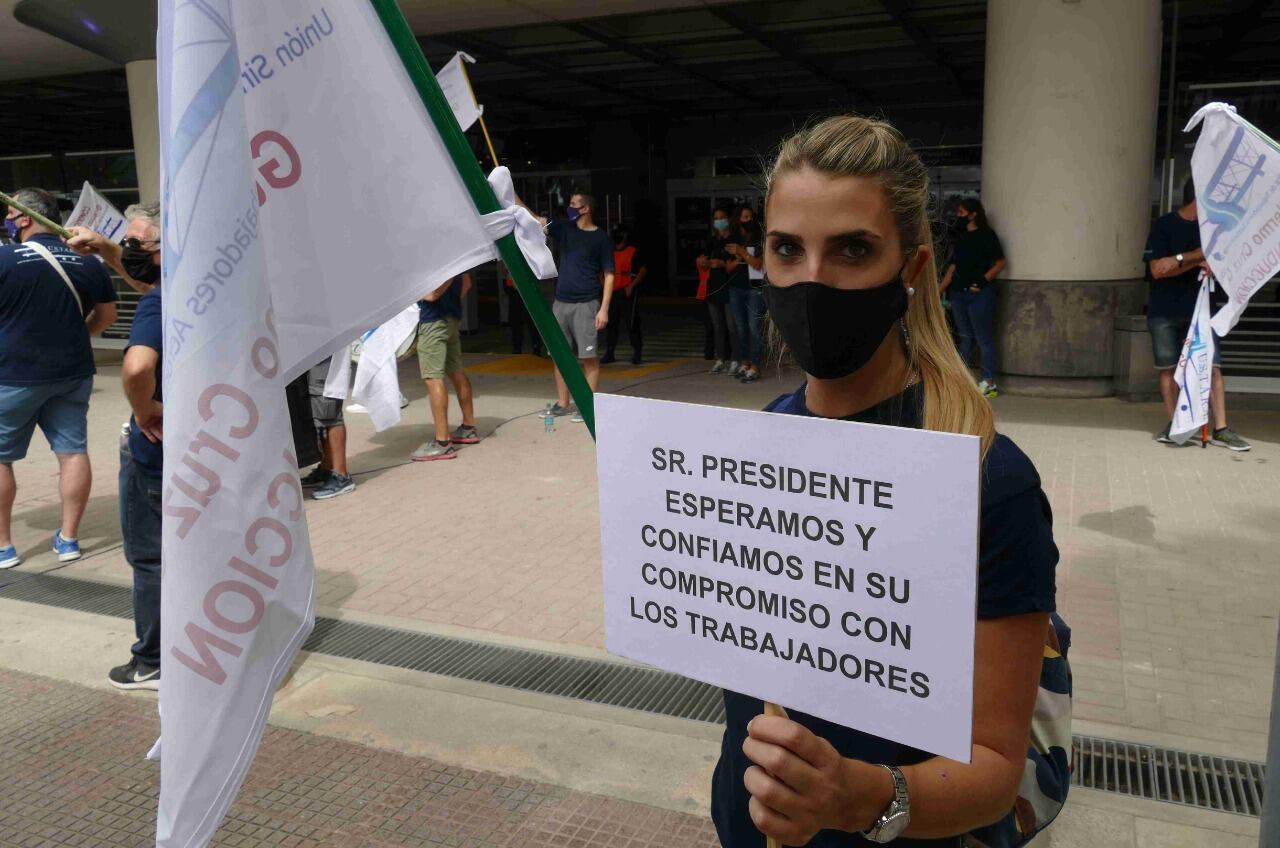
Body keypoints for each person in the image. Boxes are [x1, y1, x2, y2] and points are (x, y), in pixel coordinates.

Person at [713, 115, 1064, 847]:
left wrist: (859, 795)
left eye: (852, 250)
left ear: (911, 268)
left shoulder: (986, 475)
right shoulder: (762, 441)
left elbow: (996, 769)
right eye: (787, 249)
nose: (812, 279)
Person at [67, 203, 165, 690]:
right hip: (209, 449)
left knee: (151, 558)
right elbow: (149, 280)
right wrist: (106, 250)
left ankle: (151, 659)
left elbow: (135, 368)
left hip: (157, 454)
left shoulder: (158, 302)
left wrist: (146, 409)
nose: (128, 249)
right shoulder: (209, 291)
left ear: (167, 249)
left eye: (136, 242)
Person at [0, 189, 117, 569]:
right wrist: (77, 335)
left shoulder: (4, 258)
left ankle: (3, 547)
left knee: (1, 459)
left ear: (23, 218)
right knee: (72, 453)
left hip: (12, 375)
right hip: (73, 373)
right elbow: (107, 317)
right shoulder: (90, 262)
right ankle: (69, 539)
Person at [1143, 179, 1250, 450]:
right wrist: (1192, 258)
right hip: (1165, 309)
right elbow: (1158, 270)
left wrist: (1179, 260)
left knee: (1212, 368)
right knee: (1168, 369)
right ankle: (1175, 424)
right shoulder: (1164, 225)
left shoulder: (1215, 231)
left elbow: (1222, 261)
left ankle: (1222, 428)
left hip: (1203, 310)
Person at [547, 192, 613, 423]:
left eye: (574, 204)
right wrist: (513, 196)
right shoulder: (565, 228)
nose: (570, 207)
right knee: (560, 356)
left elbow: (609, 274)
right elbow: (536, 220)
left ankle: (587, 405)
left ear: (585, 209)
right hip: (561, 302)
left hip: (587, 303)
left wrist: (603, 309)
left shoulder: (600, 238)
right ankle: (563, 402)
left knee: (588, 356)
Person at [939, 198, 1005, 398]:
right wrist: (939, 289)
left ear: (973, 214)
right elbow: (953, 266)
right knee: (965, 338)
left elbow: (1000, 263)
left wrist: (982, 282)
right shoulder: (960, 237)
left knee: (982, 338)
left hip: (979, 294)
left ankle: (988, 382)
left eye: (961, 212)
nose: (957, 216)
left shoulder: (987, 236)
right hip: (959, 294)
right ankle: (961, 382)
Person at [411, 273, 480, 461]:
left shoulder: (434, 260)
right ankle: (468, 427)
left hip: (432, 320)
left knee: (433, 378)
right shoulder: (453, 255)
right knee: (456, 372)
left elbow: (431, 295)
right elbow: (467, 283)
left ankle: (442, 442)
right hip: (452, 318)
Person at [303, 357, 355, 499]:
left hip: (326, 354)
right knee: (317, 410)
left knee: (329, 410)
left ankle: (341, 475)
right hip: (312, 352)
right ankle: (327, 466)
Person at [699, 207, 742, 375]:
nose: (719, 221)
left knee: (732, 326)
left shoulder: (735, 239)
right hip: (713, 286)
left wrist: (723, 264)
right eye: (716, 218)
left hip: (730, 286)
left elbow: (738, 261)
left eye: (722, 217)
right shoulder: (712, 240)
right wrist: (705, 262)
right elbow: (703, 258)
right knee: (718, 326)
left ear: (728, 219)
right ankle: (720, 359)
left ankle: (736, 359)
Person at [726, 204, 765, 382]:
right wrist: (741, 256)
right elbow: (727, 267)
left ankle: (756, 365)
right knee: (740, 328)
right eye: (744, 217)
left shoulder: (759, 238)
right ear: (738, 220)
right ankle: (744, 361)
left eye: (750, 217)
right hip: (736, 287)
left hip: (755, 288)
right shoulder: (732, 238)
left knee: (754, 328)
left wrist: (742, 252)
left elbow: (759, 264)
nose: (748, 220)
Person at [602, 225, 647, 365]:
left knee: (632, 323)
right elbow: (600, 270)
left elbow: (643, 270)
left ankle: (637, 353)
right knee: (611, 324)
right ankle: (609, 352)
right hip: (612, 292)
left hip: (627, 293)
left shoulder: (633, 252)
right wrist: (604, 286)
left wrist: (631, 286)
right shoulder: (608, 252)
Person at [503, 263, 544, 357]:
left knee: (531, 320)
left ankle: (535, 347)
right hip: (514, 287)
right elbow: (504, 270)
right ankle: (519, 348)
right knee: (517, 320)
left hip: (526, 287)